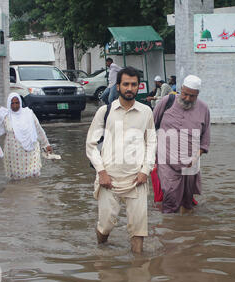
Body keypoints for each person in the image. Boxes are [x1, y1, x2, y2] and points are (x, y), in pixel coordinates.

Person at [86, 67, 157, 254]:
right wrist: (101, 173)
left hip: (137, 179)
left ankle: (138, 271)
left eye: (134, 84)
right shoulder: (105, 111)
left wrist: (145, 171)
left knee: (139, 229)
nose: (129, 88)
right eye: (126, 84)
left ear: (138, 87)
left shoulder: (146, 112)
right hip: (109, 179)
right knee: (105, 226)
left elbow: (151, 143)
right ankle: (101, 251)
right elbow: (91, 145)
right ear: (118, 86)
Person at [153, 75, 211, 214]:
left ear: (197, 95)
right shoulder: (167, 101)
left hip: (190, 162)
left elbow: (205, 140)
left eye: (192, 96)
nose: (187, 99)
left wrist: (195, 158)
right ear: (180, 89)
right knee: (171, 196)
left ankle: (185, 230)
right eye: (185, 94)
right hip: (166, 160)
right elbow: (149, 126)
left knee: (187, 200)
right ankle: (169, 230)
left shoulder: (203, 109)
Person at [0, 93, 53, 180]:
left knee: (33, 175)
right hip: (13, 153)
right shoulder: (6, 116)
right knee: (16, 179)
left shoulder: (29, 114)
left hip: (30, 151)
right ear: (9, 104)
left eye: (17, 103)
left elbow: (39, 130)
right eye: (12, 103)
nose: (15, 106)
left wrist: (46, 144)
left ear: (20, 103)